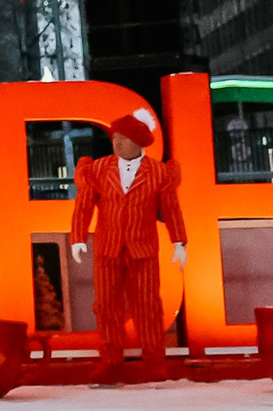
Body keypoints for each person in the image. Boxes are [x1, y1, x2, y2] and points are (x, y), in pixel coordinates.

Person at [67, 107, 187, 384]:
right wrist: (78, 238)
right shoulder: (97, 169)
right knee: (106, 305)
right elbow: (83, 206)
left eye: (123, 138)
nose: (117, 143)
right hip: (107, 248)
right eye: (115, 138)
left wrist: (179, 241)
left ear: (137, 141)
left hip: (142, 248)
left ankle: (154, 360)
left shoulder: (159, 173)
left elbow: (171, 209)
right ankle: (112, 360)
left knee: (148, 305)